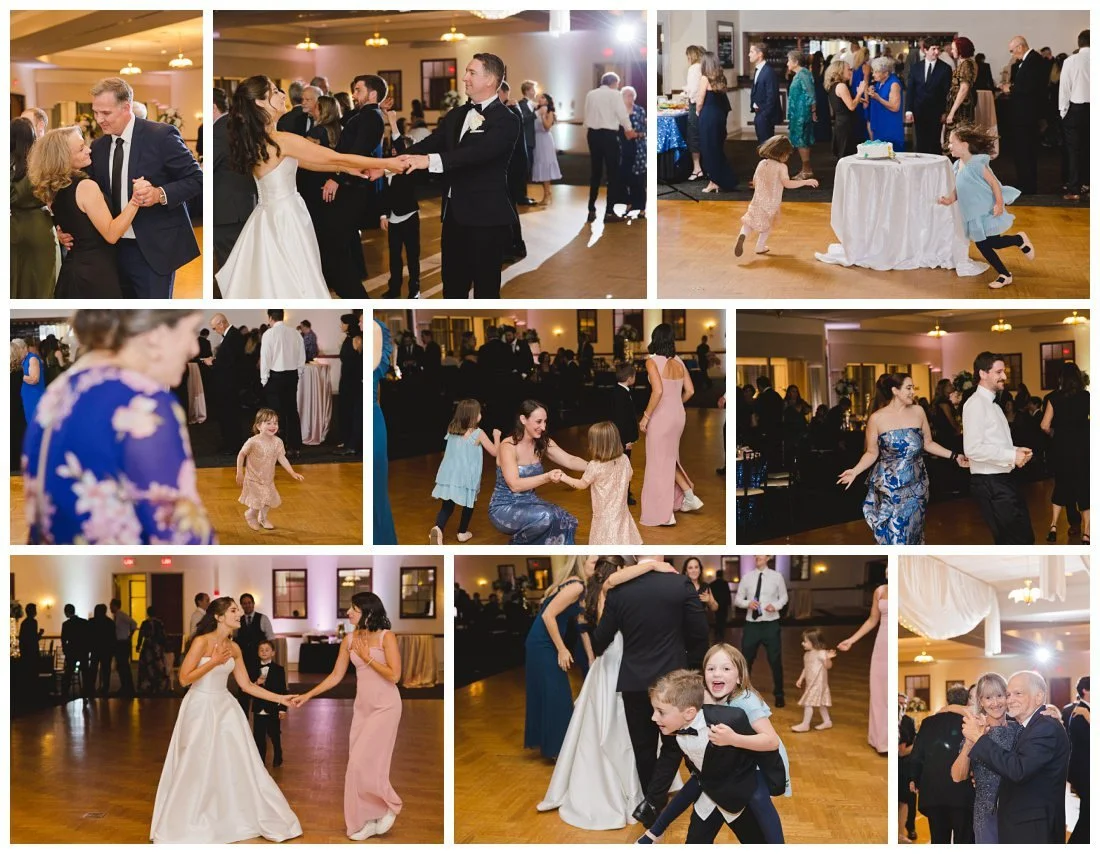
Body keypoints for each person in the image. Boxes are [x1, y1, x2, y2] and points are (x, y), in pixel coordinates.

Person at [22, 310, 215, 545]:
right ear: (158, 333)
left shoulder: (57, 392)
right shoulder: (143, 403)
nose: (194, 349)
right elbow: (179, 534)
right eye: (191, 331)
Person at [217, 76, 407, 299]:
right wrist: (387, 164)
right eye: (274, 91)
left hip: (270, 214)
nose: (282, 94)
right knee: (297, 279)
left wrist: (345, 169)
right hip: (285, 218)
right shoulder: (281, 140)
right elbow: (335, 156)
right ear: (259, 102)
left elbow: (310, 162)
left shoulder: (263, 139)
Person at [537, 558, 684, 829]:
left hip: (617, 662)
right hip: (617, 663)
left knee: (630, 729)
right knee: (619, 727)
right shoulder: (610, 590)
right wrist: (651, 564)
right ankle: (632, 790)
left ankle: (646, 788)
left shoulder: (602, 593)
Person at [151, 597, 301, 843]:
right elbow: (184, 679)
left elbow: (247, 686)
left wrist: (280, 698)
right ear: (219, 617)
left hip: (225, 707)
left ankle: (227, 816)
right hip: (199, 707)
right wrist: (213, 662)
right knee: (197, 762)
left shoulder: (235, 647)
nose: (239, 614)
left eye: (239, 610)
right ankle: (190, 819)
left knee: (233, 762)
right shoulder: (201, 642)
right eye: (233, 610)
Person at [591, 558, 710, 825]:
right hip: (673, 681)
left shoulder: (619, 591)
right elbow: (700, 631)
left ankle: (651, 806)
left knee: (642, 747)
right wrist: (691, 665)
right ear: (663, 560)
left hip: (634, 681)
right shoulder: (679, 584)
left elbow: (600, 641)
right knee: (673, 744)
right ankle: (655, 801)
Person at [641, 644, 789, 844]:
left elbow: (771, 741)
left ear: (739, 677)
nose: (717, 673)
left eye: (726, 669)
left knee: (759, 806)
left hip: (756, 763)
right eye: (711, 669)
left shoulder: (746, 702)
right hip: (722, 769)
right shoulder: (703, 699)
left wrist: (734, 739)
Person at [68, 77, 201, 299]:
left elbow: (197, 179)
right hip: (111, 252)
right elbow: (84, 192)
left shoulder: (160, 136)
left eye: (106, 113)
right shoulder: (99, 147)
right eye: (96, 112)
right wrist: (67, 228)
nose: (99, 119)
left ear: (126, 108)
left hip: (153, 249)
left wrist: (160, 194)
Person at [404, 54, 520, 297]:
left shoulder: (506, 120)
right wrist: (390, 163)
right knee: (453, 288)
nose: (464, 78)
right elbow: (431, 142)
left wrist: (428, 162)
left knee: (485, 291)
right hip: (454, 217)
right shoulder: (457, 114)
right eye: (466, 72)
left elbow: (476, 154)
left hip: (487, 219)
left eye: (471, 72)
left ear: (490, 80)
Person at [291, 592, 402, 839]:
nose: (348, 613)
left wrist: (367, 658)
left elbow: (395, 676)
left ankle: (389, 805)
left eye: (353, 609)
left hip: (386, 707)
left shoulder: (387, 637)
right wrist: (308, 694)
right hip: (362, 709)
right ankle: (367, 819)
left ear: (369, 612)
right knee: (358, 764)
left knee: (364, 763)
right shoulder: (349, 639)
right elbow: (335, 676)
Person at [837, 373, 969, 544]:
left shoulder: (918, 412)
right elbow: (871, 452)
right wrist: (855, 471)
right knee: (894, 536)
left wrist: (954, 456)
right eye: (908, 388)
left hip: (916, 486)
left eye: (913, 388)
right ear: (895, 391)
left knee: (913, 535)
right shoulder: (877, 418)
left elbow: (928, 443)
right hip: (889, 488)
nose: (912, 392)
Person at [27, 126, 146, 298]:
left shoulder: (53, 187)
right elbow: (111, 234)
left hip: (73, 270)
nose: (89, 150)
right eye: (81, 148)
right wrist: (136, 200)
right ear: (64, 157)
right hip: (95, 274)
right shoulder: (85, 186)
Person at [962, 670, 1071, 843]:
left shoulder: (1044, 727)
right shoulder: (1028, 726)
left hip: (1032, 827)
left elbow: (1018, 770)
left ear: (1038, 697)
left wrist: (978, 739)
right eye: (1008, 694)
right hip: (1014, 820)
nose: (1009, 699)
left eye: (1018, 693)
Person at [938, 123, 1032, 289]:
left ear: (965, 145)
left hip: (986, 212)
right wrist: (949, 199)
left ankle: (1006, 270)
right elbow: (959, 188)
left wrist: (999, 203)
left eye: (952, 142)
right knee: (987, 244)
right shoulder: (957, 165)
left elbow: (994, 184)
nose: (949, 146)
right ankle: (1016, 246)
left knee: (990, 243)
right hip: (972, 215)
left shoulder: (976, 164)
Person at [962, 352, 1035, 544]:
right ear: (983, 374)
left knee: (1024, 538)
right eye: (999, 372)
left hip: (1004, 479)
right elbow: (973, 448)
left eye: (1004, 371)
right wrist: (1011, 455)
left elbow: (994, 442)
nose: (1004, 376)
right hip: (990, 483)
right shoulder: (976, 405)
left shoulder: (994, 405)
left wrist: (1017, 451)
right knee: (1013, 541)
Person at [523, 561, 592, 759]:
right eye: (594, 562)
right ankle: (558, 748)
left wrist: (590, 656)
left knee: (550, 691)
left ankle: (554, 745)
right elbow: (548, 615)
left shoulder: (576, 584)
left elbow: (581, 623)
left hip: (542, 641)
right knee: (557, 691)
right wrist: (562, 649)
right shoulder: (577, 585)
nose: (598, 567)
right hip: (544, 643)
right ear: (582, 562)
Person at [487, 400, 580, 544]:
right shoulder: (508, 446)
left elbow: (570, 460)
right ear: (523, 419)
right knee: (546, 516)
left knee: (566, 519)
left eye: (545, 422)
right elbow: (515, 485)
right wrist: (547, 477)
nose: (543, 427)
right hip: (504, 507)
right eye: (538, 422)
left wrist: (598, 465)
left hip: (530, 501)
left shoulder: (542, 442)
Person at [639, 323, 702, 526]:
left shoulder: (651, 362)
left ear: (655, 338)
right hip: (678, 416)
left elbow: (657, 391)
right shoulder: (679, 361)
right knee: (669, 459)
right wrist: (676, 405)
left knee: (658, 464)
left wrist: (646, 416)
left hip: (661, 417)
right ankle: (690, 497)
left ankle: (665, 514)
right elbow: (690, 391)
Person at [950, 672, 1018, 842]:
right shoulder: (974, 730)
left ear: (1007, 696)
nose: (995, 703)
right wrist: (969, 743)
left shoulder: (1019, 730)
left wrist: (1050, 716)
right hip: (986, 813)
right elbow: (957, 776)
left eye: (999, 695)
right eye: (988, 697)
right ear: (980, 701)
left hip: (1018, 811)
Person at [429, 398, 502, 544]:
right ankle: (462, 532)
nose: (481, 414)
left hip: (449, 475)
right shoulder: (478, 433)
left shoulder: (452, 429)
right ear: (473, 415)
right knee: (469, 504)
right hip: (467, 477)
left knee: (447, 506)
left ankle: (438, 528)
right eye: (479, 412)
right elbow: (495, 452)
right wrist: (497, 436)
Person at [909, 685, 976, 843]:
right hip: (962, 793)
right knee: (964, 841)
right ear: (966, 701)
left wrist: (914, 778)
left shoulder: (928, 722)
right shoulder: (970, 722)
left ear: (947, 700)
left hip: (934, 792)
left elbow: (917, 753)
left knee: (939, 840)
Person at [735, 135, 819, 258]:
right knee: (767, 226)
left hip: (757, 200)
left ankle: (742, 235)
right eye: (787, 154)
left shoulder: (762, 163)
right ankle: (760, 246)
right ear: (782, 153)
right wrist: (805, 182)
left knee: (749, 222)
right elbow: (787, 184)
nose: (788, 157)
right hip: (771, 203)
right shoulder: (781, 167)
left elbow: (754, 181)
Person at [559, 421, 642, 545]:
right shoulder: (624, 459)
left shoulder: (595, 466)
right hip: (621, 512)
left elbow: (582, 484)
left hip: (604, 517)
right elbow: (629, 476)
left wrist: (563, 477)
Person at [837, 577, 889, 752]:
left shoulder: (909, 588)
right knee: (879, 691)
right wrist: (851, 640)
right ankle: (880, 741)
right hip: (882, 644)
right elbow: (872, 620)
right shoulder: (880, 590)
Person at [1041, 361, 1090, 543]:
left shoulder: (1054, 397)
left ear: (1061, 378)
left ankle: (1054, 526)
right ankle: (1087, 533)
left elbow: (1044, 425)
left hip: (1061, 449)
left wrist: (1055, 432)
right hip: (1084, 449)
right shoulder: (1086, 397)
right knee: (1085, 488)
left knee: (1062, 486)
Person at [236, 408, 306, 531]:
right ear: (258, 426)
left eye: (275, 423)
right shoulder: (253, 442)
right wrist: (239, 472)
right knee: (257, 501)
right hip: (253, 478)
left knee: (268, 499)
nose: (273, 426)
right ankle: (250, 514)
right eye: (268, 423)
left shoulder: (277, 442)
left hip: (268, 478)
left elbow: (282, 458)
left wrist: (292, 472)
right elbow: (241, 454)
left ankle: (262, 518)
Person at [10, 117, 57, 298]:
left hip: (12, 224)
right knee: (41, 282)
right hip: (39, 225)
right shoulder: (42, 164)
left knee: (14, 279)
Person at [734, 555, 787, 707]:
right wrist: (747, 603)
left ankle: (779, 694)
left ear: (768, 557)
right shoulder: (747, 577)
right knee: (745, 661)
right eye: (756, 554)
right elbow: (738, 600)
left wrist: (775, 606)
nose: (757, 556)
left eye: (761, 554)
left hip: (771, 624)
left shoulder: (777, 577)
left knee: (775, 661)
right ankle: (743, 694)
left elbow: (784, 597)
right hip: (752, 625)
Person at [582, 71, 635, 222]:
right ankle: (609, 212)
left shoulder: (591, 94)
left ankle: (591, 209)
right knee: (612, 174)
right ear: (614, 83)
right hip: (609, 136)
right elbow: (622, 114)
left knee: (595, 172)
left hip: (593, 135)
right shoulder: (615, 94)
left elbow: (587, 113)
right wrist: (629, 129)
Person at [1004, 36, 1047, 194]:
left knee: (1026, 150)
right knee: (1022, 150)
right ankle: (1024, 182)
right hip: (1023, 114)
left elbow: (1031, 88)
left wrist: (1011, 89)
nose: (1011, 54)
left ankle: (1028, 185)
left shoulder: (1034, 60)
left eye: (1012, 50)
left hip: (1027, 115)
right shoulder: (1027, 61)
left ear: (1020, 47)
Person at [260, 308, 306, 454]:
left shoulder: (269, 334)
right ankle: (295, 447)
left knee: (275, 414)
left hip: (276, 377)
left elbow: (265, 358)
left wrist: (264, 379)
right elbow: (301, 356)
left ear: (270, 318)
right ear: (283, 316)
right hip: (292, 376)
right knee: (292, 411)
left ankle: (277, 449)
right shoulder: (295, 333)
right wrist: (298, 372)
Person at [696, 52, 739, 193]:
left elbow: (700, 99)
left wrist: (697, 112)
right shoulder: (721, 78)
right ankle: (720, 179)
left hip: (708, 116)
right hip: (719, 116)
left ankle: (714, 181)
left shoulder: (705, 78)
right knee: (717, 148)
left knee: (708, 149)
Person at [373, 317, 397, 543]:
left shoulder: (374, 330)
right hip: (373, 415)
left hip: (374, 417)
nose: (359, 325)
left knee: (377, 489)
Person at [1059, 30, 1089, 201]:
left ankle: (1075, 187)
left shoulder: (1071, 60)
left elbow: (1065, 87)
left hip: (1076, 109)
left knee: (1074, 150)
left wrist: (1063, 111)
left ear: (1079, 43)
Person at [907, 40, 952, 153]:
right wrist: (908, 110)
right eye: (933, 49)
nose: (936, 52)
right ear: (925, 50)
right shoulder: (916, 67)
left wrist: (945, 112)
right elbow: (911, 90)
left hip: (936, 112)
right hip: (919, 111)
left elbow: (947, 93)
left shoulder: (945, 68)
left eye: (938, 49)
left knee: (935, 143)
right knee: (920, 143)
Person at [250, 638, 288, 767]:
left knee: (274, 735)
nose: (264, 652)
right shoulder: (253, 668)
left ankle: (278, 755)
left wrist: (282, 708)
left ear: (273, 653)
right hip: (259, 708)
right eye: (261, 650)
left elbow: (283, 690)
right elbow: (246, 688)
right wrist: (256, 683)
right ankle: (260, 761)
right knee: (259, 737)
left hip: (273, 708)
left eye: (267, 650)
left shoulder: (279, 669)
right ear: (258, 652)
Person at [792, 628, 835, 732]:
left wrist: (828, 658)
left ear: (814, 642)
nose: (803, 643)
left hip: (818, 684)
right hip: (810, 683)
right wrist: (801, 678)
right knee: (821, 704)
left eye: (805, 641)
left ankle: (805, 724)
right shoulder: (806, 655)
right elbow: (806, 668)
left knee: (808, 703)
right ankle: (827, 721)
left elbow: (828, 666)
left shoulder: (821, 653)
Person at [610, 363, 640, 505]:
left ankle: (623, 493)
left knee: (621, 466)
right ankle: (624, 496)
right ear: (630, 378)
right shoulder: (622, 394)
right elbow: (622, 420)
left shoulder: (618, 391)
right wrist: (627, 440)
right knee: (623, 467)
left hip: (621, 437)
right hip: (623, 439)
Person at [824, 60, 866, 160]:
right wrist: (860, 92)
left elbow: (841, 103)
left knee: (844, 154)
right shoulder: (841, 86)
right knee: (847, 155)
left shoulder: (834, 86)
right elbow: (851, 106)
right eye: (848, 69)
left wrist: (857, 99)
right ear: (840, 71)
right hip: (846, 124)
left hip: (841, 123)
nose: (851, 72)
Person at [785, 51, 817, 178]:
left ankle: (807, 170)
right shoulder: (800, 74)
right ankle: (805, 169)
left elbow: (811, 94)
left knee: (802, 140)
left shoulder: (803, 74)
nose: (787, 63)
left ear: (795, 62)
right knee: (800, 140)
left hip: (802, 114)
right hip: (798, 113)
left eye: (789, 60)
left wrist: (813, 111)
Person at [1066, 676, 1090, 843]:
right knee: (1088, 815)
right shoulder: (1078, 713)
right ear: (1085, 691)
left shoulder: (1087, 712)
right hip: (1084, 772)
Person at [336, 314, 363, 457]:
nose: (341, 326)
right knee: (345, 411)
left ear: (349, 324)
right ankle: (347, 442)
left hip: (354, 382)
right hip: (345, 380)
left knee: (353, 412)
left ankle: (353, 445)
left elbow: (360, 362)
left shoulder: (357, 340)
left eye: (343, 323)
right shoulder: (347, 339)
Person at [867, 56, 904, 151]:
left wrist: (878, 98)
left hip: (890, 126)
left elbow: (895, 107)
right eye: (873, 71)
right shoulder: (879, 83)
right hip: (880, 124)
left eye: (876, 72)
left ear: (886, 73)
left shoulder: (894, 84)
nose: (873, 74)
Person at [620, 86, 647, 215]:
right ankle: (629, 204)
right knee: (627, 178)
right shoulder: (619, 112)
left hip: (638, 147)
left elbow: (645, 130)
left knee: (639, 179)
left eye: (631, 95)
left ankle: (642, 207)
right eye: (626, 95)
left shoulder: (640, 110)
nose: (629, 98)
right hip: (624, 149)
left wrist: (637, 135)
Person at [944, 37, 978, 140]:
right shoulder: (967, 63)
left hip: (961, 109)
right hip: (961, 106)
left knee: (957, 138)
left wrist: (952, 112)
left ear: (961, 49)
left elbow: (964, 89)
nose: (951, 51)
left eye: (954, 48)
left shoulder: (966, 64)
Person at [748, 43, 781, 144]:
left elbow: (772, 95)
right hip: (759, 113)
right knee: (763, 144)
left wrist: (764, 114)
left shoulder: (768, 71)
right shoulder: (759, 69)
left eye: (751, 52)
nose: (749, 54)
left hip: (765, 115)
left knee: (766, 145)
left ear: (760, 54)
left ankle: (767, 160)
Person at [135, 605, 169, 695]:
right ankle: (159, 685)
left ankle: (148, 685)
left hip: (147, 647)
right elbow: (163, 635)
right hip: (157, 647)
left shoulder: (145, 623)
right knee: (158, 666)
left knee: (147, 666)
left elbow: (141, 635)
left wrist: (138, 645)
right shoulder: (160, 623)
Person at [60, 603, 91, 703]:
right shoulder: (84, 622)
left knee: (68, 673)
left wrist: (65, 650)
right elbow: (88, 637)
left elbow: (63, 639)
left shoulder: (66, 624)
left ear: (66, 612)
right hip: (83, 651)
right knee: (85, 673)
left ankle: (65, 694)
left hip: (71, 652)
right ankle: (86, 692)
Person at [684, 45, 705, 179]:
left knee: (693, 136)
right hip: (705, 106)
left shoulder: (693, 68)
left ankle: (697, 168)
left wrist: (685, 91)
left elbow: (693, 90)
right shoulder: (704, 68)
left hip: (695, 105)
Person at [109, 598, 137, 698]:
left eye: (111, 605)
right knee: (121, 665)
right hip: (120, 642)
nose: (110, 608)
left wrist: (129, 636)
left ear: (115, 605)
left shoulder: (121, 615)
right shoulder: (117, 616)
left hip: (122, 642)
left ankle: (127, 687)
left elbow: (134, 623)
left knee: (123, 665)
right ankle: (125, 686)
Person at [89, 603, 115, 696]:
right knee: (106, 670)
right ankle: (105, 688)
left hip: (95, 649)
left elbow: (89, 637)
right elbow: (113, 638)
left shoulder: (91, 622)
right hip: (106, 650)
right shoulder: (110, 622)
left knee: (93, 669)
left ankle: (91, 687)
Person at [19, 338, 45, 425]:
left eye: (18, 350)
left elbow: (35, 379)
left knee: (34, 421)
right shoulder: (23, 360)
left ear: (24, 348)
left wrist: (19, 377)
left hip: (34, 395)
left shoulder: (32, 358)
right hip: (28, 395)